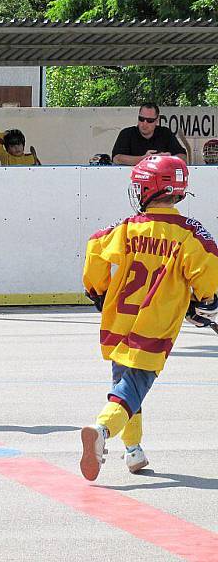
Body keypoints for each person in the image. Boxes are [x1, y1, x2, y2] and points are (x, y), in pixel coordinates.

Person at [79, 155, 218, 481]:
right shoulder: (189, 232)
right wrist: (206, 301)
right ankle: (101, 431)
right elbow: (208, 272)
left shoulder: (126, 227)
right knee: (131, 391)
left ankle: (133, 451)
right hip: (152, 328)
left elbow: (95, 249)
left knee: (123, 386)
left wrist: (98, 291)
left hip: (118, 323)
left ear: (151, 189)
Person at [111, 103, 187, 166]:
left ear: (157, 120)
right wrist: (145, 159)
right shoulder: (127, 133)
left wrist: (166, 159)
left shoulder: (165, 133)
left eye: (149, 120)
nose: (144, 123)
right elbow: (117, 158)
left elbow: (183, 156)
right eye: (141, 119)